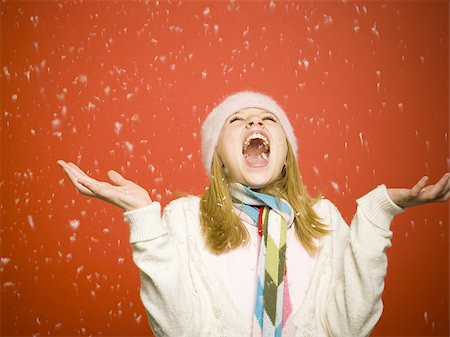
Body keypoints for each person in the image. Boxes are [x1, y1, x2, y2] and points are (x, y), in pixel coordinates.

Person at [57, 91, 449, 337]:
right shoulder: (184, 219)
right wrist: (144, 218)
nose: (255, 122)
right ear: (219, 159)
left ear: (285, 157)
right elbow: (179, 330)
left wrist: (379, 214)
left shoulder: (325, 220)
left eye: (268, 119)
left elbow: (350, 327)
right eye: (237, 119)